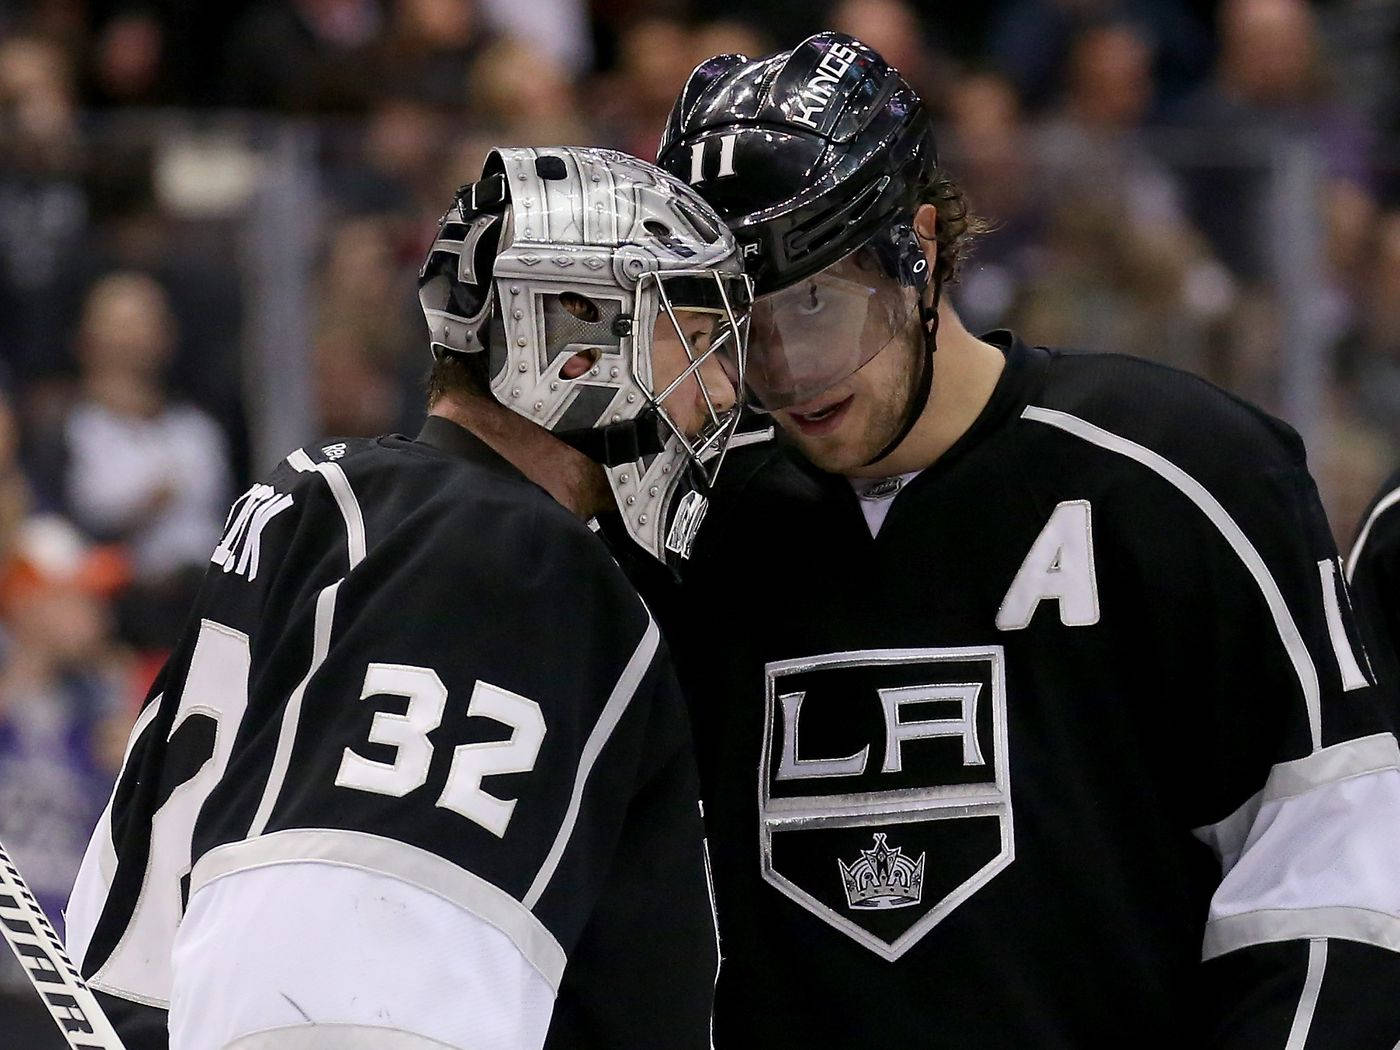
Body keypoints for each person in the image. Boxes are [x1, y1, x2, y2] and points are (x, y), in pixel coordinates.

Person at [639, 32, 1400, 1047]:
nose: (784, 373)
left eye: (816, 306)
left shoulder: (1173, 473)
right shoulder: (691, 531)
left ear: (915, 250)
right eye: (740, 324)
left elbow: (1327, 850)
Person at [63, 146, 753, 1050]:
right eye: (689, 336)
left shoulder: (314, 494)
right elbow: (365, 996)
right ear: (572, 329)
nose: (719, 388)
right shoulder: (528, 568)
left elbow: (147, 914)